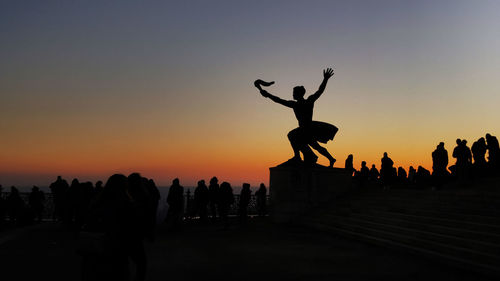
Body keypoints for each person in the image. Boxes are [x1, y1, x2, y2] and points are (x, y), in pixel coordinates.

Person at [255, 68, 338, 166]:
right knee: (315, 145)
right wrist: (268, 95)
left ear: (298, 94)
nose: (293, 94)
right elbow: (279, 100)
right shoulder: (305, 102)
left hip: (306, 128)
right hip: (307, 128)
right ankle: (331, 158)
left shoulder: (300, 103)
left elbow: (319, 91)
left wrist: (268, 95)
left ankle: (298, 156)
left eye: (294, 93)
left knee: (292, 135)